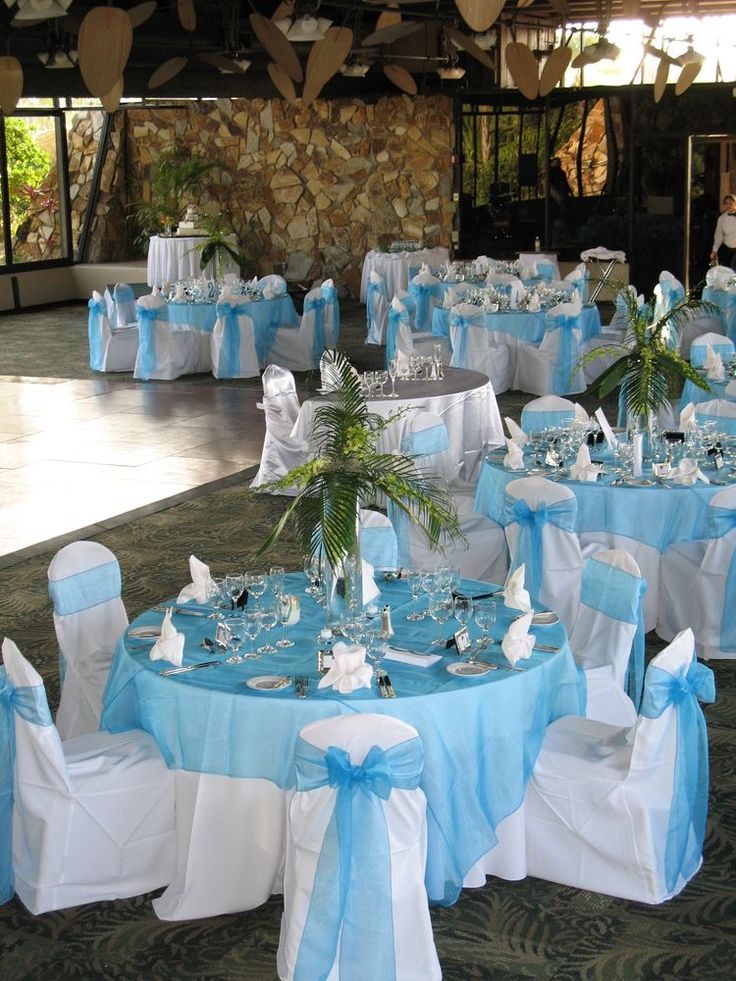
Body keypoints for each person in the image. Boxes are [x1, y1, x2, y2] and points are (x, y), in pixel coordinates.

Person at [710, 193, 736, 268]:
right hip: (727, 249)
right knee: (727, 271)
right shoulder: (722, 219)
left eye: (731, 203)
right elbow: (718, 235)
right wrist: (715, 250)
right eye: (726, 203)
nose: (728, 205)